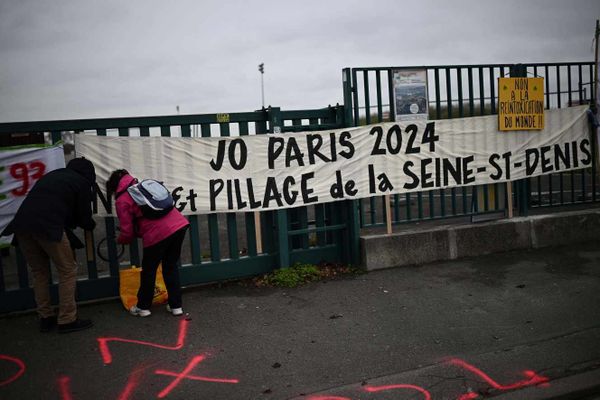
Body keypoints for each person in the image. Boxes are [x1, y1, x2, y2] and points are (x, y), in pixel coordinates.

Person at [2, 157, 96, 333]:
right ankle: (67, 319)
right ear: (89, 174)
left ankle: (45, 317)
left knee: (39, 272)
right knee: (67, 270)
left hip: (22, 226)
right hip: (48, 226)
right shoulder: (82, 183)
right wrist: (89, 224)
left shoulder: (54, 176)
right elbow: (84, 218)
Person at [106, 169, 189, 317]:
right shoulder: (143, 186)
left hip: (157, 234)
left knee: (149, 270)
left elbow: (127, 232)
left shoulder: (122, 200)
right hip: (179, 225)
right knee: (170, 266)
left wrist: (120, 240)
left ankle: (143, 307)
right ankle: (176, 306)